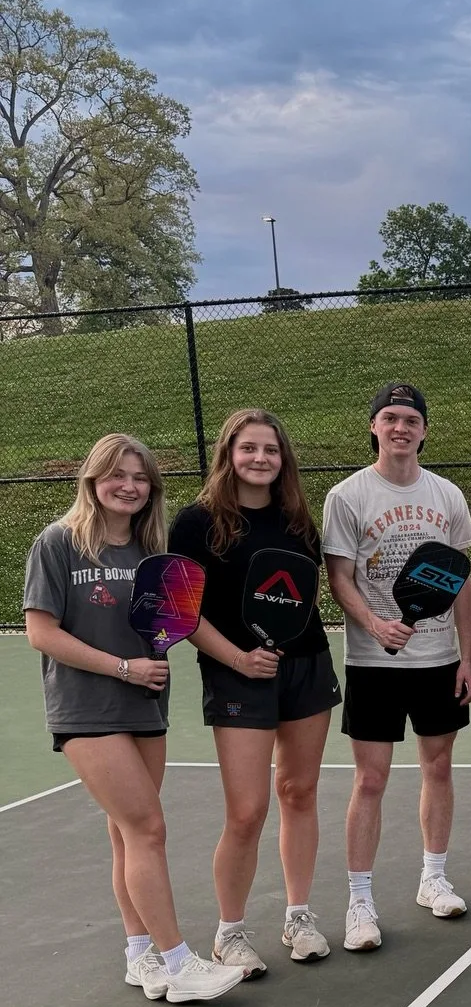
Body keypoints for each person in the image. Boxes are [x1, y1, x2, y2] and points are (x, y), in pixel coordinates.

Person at [22, 434, 245, 1005]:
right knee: (148, 827)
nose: (128, 486)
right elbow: (41, 632)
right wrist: (124, 668)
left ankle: (139, 953)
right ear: (93, 481)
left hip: (146, 706)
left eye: (140, 477)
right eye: (117, 475)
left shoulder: (153, 552)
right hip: (86, 708)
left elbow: (180, 623)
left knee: (127, 834)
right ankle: (178, 961)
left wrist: (241, 659)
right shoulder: (60, 544)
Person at [170, 409, 342, 973]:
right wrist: (240, 658)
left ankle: (299, 916)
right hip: (235, 673)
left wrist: (285, 648)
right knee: (247, 811)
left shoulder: (297, 520)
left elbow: (303, 596)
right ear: (229, 454)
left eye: (271, 449)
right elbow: (183, 612)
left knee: (299, 791)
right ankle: (231, 933)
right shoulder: (195, 523)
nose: (260, 459)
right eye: (249, 448)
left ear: (282, 458)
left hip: (306, 666)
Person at [322, 383, 471, 951]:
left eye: (411, 419)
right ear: (374, 426)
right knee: (371, 779)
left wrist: (467, 654)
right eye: (389, 417)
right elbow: (339, 575)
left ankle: (433, 878)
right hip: (372, 662)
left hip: (438, 659)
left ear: (424, 430)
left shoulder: (448, 496)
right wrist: (373, 624)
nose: (400, 428)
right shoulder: (347, 495)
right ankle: (359, 902)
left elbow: (458, 579)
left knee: (438, 769)